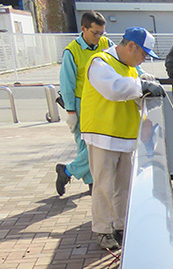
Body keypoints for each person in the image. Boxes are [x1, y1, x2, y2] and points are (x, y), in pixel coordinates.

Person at [81, 27, 164, 251]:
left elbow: (133, 88)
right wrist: (141, 85)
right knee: (104, 186)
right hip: (102, 135)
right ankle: (103, 230)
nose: (144, 59)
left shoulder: (130, 68)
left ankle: (121, 225)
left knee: (124, 186)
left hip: (124, 135)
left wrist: (144, 81)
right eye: (143, 54)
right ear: (131, 46)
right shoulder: (101, 62)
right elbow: (114, 89)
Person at [55, 11, 110, 197]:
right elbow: (67, 83)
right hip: (81, 103)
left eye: (102, 33)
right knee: (85, 144)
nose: (99, 37)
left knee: (99, 145)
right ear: (83, 29)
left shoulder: (105, 43)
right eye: (95, 33)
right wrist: (71, 111)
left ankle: (68, 171)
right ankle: (91, 182)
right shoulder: (72, 51)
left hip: (103, 101)